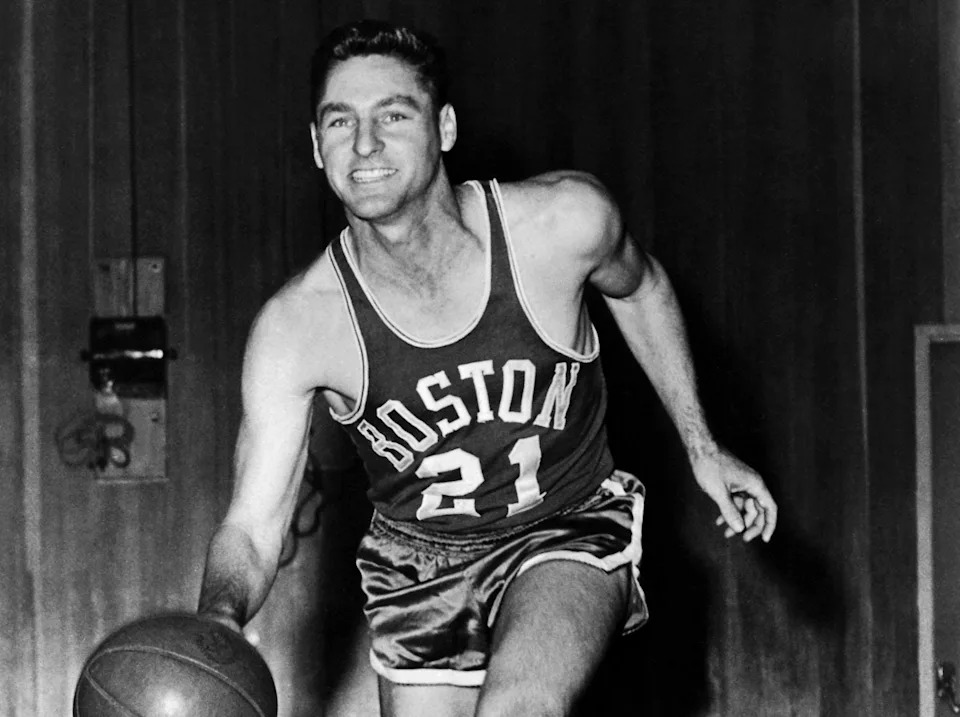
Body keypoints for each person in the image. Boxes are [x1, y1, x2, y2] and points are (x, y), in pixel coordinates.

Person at [197, 19, 778, 717]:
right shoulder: (298, 326)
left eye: (393, 114)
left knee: (520, 707)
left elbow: (643, 287)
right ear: (317, 145)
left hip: (564, 522)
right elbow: (254, 524)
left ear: (444, 128)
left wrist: (702, 445)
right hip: (416, 564)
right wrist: (218, 621)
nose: (366, 143)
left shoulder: (561, 224)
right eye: (340, 120)